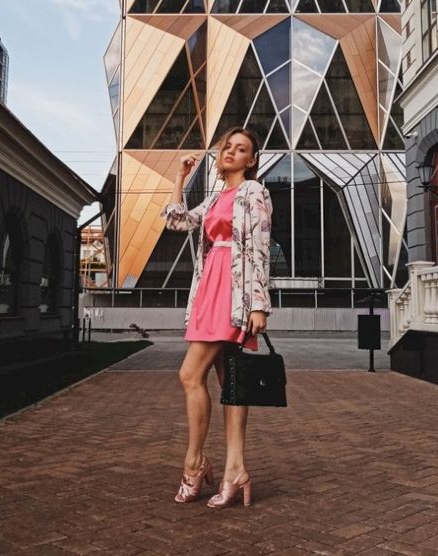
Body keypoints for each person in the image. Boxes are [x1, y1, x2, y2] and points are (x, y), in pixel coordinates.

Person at [159, 126, 273, 508]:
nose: (231, 152)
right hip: (209, 288)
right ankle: (235, 469)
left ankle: (194, 464)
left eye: (241, 149)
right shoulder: (214, 197)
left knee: (190, 374)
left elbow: (260, 248)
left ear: (251, 160)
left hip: (234, 291)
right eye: (228, 146)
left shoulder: (253, 192)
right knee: (230, 380)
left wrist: (258, 304)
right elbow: (177, 221)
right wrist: (180, 177)